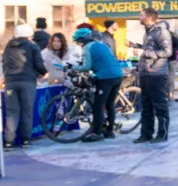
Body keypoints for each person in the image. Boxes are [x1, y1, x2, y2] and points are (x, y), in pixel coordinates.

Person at [126, 8, 172, 144]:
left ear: (149, 18)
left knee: (159, 105)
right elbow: (150, 48)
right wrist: (136, 45)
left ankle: (162, 134)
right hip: (146, 73)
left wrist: (144, 52)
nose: (139, 17)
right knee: (145, 105)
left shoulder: (161, 32)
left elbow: (167, 51)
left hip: (157, 74)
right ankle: (146, 134)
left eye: (141, 15)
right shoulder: (148, 32)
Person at [72, 27, 123, 142]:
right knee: (109, 104)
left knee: (98, 105)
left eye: (79, 41)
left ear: (83, 40)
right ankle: (109, 132)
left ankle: (97, 133)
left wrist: (74, 67)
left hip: (105, 77)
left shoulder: (87, 47)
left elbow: (87, 67)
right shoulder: (102, 44)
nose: (79, 44)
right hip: (118, 75)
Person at [2, 24, 47, 148]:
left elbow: (4, 63)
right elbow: (38, 63)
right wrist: (44, 72)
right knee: (27, 111)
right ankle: (26, 140)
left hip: (10, 81)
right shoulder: (32, 46)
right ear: (29, 35)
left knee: (11, 112)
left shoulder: (8, 47)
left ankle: (8, 141)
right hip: (27, 81)